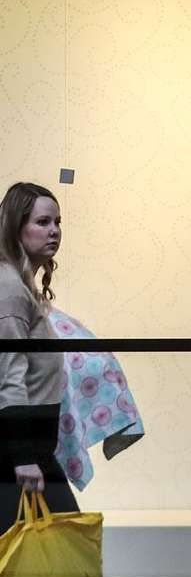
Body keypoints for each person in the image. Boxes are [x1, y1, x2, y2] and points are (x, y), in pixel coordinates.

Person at [0, 182, 76, 526]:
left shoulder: (20, 285)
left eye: (58, 222)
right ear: (17, 227)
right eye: (43, 222)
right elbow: (8, 376)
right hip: (19, 454)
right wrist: (23, 457)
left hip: (29, 450)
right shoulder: (10, 290)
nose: (54, 231)